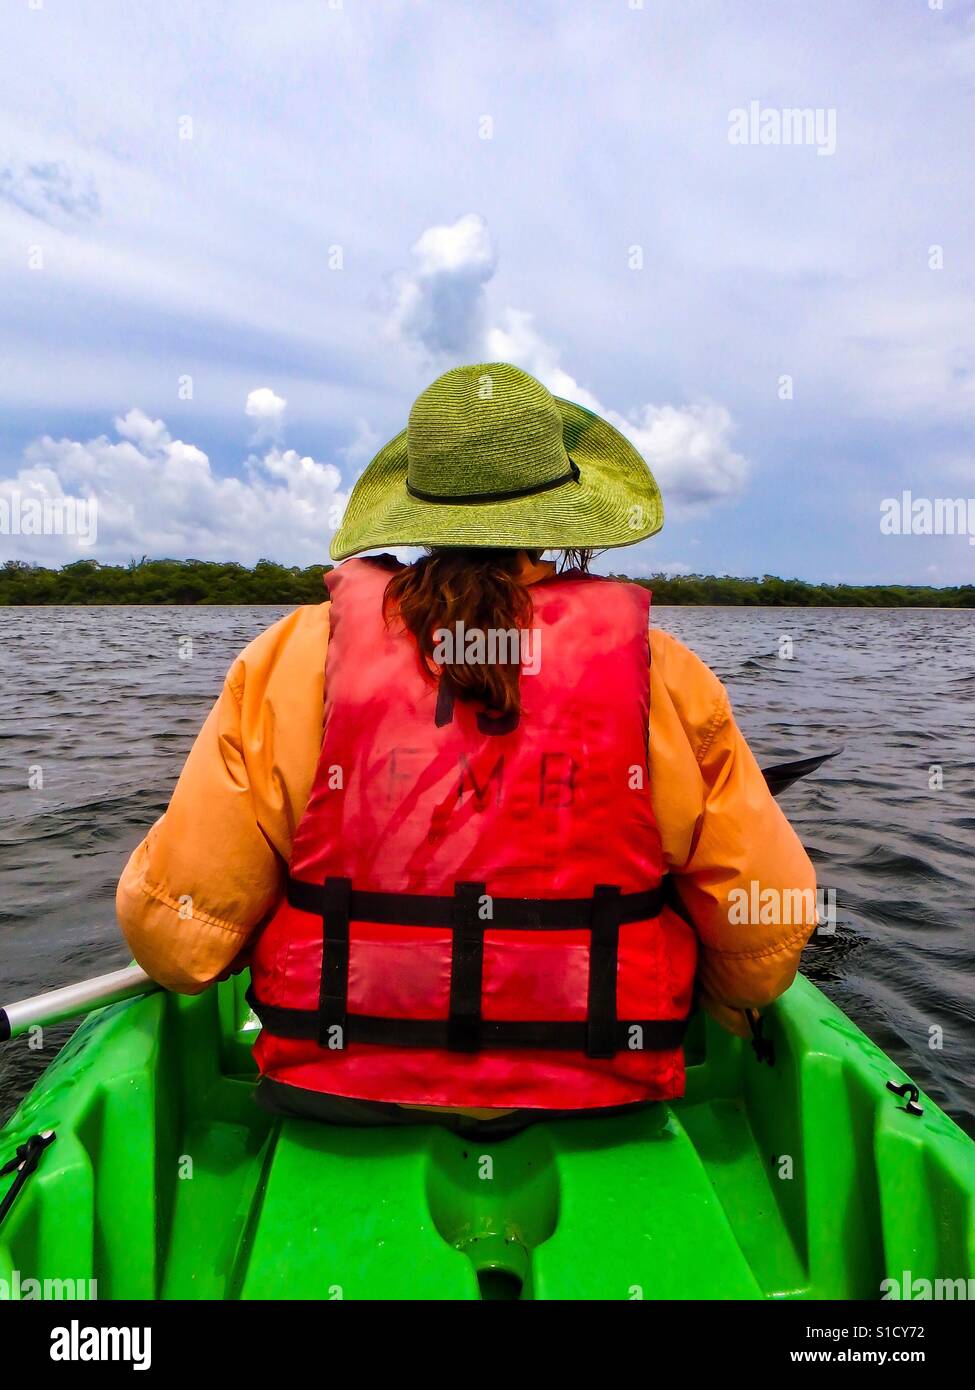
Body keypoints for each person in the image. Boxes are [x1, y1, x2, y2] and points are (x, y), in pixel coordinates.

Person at [117, 362, 816, 1135]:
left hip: (339, 1093)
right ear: (566, 522)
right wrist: (701, 993)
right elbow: (763, 945)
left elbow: (176, 941)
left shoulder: (288, 658)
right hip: (600, 1094)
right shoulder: (668, 677)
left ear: (412, 509)